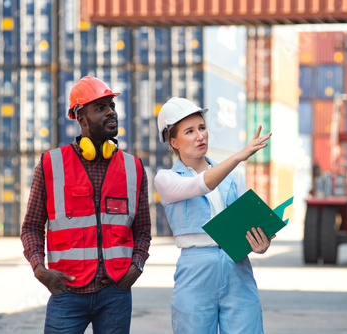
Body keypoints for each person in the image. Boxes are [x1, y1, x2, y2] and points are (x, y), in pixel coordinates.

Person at [21, 76, 151, 334]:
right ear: (81, 119)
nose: (111, 112)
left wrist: (137, 266)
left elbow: (143, 229)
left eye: (111, 105)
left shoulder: (133, 168)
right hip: (67, 293)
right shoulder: (50, 164)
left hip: (116, 291)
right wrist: (40, 270)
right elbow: (32, 226)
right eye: (100, 108)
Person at [154, 97, 274, 334]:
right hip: (195, 271)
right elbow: (200, 185)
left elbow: (249, 223)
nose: (200, 136)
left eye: (202, 127)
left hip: (237, 267)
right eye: (189, 131)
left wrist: (262, 243)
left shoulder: (235, 176)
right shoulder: (166, 179)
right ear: (173, 141)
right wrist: (238, 156)